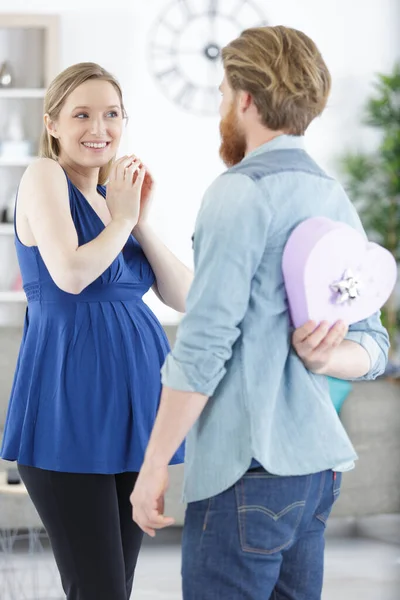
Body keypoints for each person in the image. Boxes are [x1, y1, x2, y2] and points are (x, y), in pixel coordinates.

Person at [130, 26, 390, 599]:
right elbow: (373, 345)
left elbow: (202, 349)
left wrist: (154, 467)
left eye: (224, 92)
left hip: (247, 476)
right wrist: (329, 355)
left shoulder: (237, 192)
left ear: (245, 98)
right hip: (315, 475)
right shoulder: (332, 196)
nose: (223, 106)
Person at [0, 62, 189, 600]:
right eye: (81, 114)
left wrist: (139, 218)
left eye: (111, 114)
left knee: (115, 588)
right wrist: (123, 221)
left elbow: (184, 296)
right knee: (99, 589)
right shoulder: (43, 176)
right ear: (53, 123)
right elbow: (73, 274)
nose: (98, 128)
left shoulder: (117, 204)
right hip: (68, 414)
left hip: (132, 417)